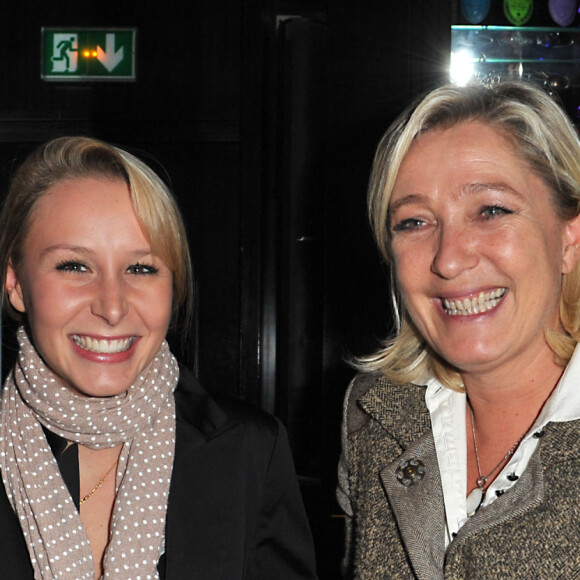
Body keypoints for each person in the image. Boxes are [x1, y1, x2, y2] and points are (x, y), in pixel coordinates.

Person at [0, 136, 318, 580]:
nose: (112, 307)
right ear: (15, 282)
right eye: (74, 266)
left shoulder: (250, 451)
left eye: (141, 268)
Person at [337, 80, 580, 578]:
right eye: (414, 222)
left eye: (491, 210)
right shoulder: (373, 419)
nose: (448, 259)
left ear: (570, 239)